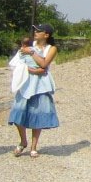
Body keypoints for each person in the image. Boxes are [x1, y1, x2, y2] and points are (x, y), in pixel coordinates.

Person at [8, 23, 59, 158]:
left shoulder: (51, 48)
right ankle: (23, 140)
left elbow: (44, 64)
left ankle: (34, 146)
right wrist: (32, 69)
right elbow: (17, 63)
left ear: (46, 35)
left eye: (39, 31)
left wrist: (31, 53)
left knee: (38, 114)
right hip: (25, 83)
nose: (35, 32)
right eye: (35, 30)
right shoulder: (29, 45)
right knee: (18, 112)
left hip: (41, 86)